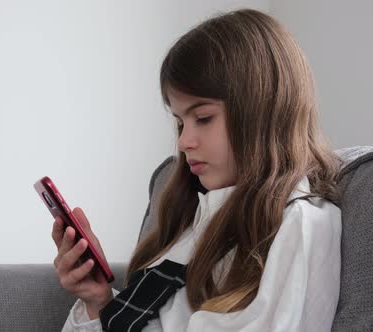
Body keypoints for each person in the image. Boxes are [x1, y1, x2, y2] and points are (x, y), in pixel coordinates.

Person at [54, 8, 342, 332]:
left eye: (202, 118)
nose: (184, 142)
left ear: (263, 110)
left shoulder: (299, 223)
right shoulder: (192, 219)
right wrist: (99, 301)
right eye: (179, 122)